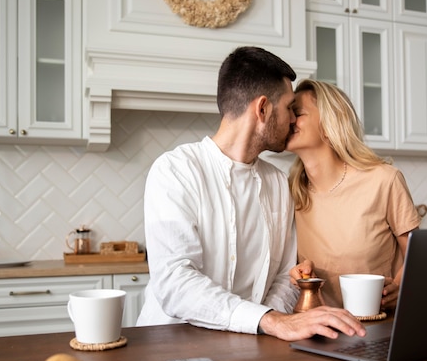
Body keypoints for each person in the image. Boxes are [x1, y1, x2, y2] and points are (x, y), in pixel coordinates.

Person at [136, 47, 365, 341]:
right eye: (289, 108)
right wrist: (270, 321)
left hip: (251, 347)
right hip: (169, 346)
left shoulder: (279, 183)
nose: (294, 120)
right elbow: (175, 283)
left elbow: (285, 275)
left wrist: (267, 326)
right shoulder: (175, 172)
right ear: (262, 109)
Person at [285, 79, 421, 310]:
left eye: (297, 113)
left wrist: (399, 287)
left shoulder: (384, 180)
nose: (288, 120)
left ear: (329, 122)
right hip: (321, 327)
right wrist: (298, 270)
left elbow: (419, 253)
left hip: (380, 325)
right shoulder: (290, 191)